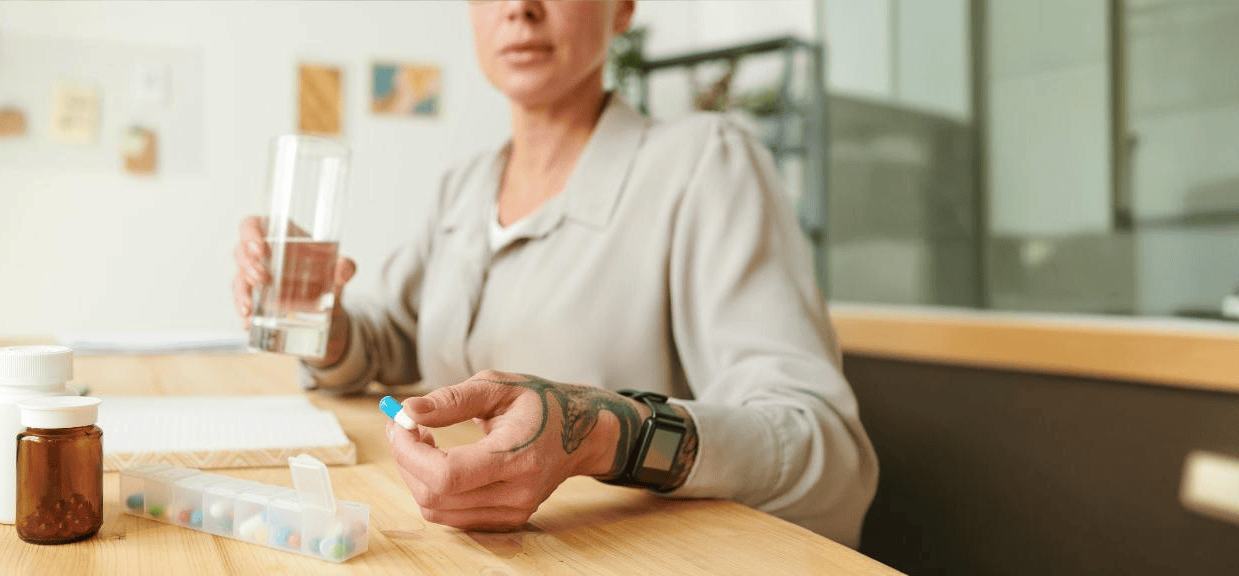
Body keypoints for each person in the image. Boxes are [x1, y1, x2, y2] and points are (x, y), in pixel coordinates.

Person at [232, 0, 877, 547]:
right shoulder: (462, 188)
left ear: (622, 6)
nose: (520, 6)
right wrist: (322, 317)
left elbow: (827, 456)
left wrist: (600, 434)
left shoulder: (706, 165)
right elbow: (388, 347)